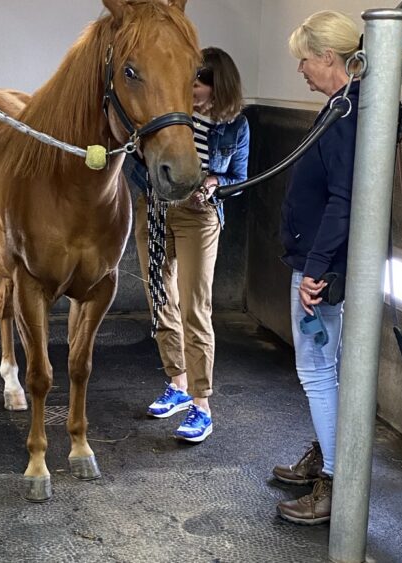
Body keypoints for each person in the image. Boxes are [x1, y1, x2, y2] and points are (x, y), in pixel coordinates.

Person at [125, 46, 250, 443]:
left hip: (199, 217)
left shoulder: (236, 126)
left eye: (197, 83)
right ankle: (177, 384)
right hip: (157, 211)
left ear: (218, 87)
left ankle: (202, 407)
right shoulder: (168, 113)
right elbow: (135, 161)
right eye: (190, 81)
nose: (190, 88)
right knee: (160, 298)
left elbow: (240, 178)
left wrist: (214, 184)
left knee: (195, 307)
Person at [273, 10, 361, 525]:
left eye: (305, 60)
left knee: (317, 371)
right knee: (326, 369)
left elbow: (343, 199)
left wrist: (315, 269)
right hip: (319, 258)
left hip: (319, 265)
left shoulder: (346, 114)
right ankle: (328, 460)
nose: (301, 70)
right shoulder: (342, 108)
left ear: (329, 57)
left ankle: (333, 481)